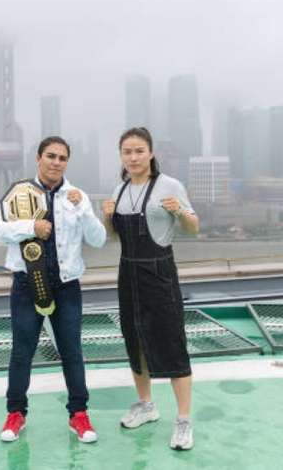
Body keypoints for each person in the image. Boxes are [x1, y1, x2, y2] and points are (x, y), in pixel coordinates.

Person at [0, 136, 107, 444]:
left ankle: (78, 414)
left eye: (62, 158)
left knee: (72, 352)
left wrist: (83, 210)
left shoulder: (77, 196)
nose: (56, 162)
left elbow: (98, 239)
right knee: (21, 352)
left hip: (67, 285)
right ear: (38, 158)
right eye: (51, 156)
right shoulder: (18, 193)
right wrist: (30, 228)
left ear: (67, 162)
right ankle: (16, 414)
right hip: (27, 284)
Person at [101, 127, 200, 451]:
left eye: (139, 151)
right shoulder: (120, 188)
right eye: (127, 151)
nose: (133, 157)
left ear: (151, 153)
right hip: (127, 273)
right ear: (121, 156)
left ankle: (183, 420)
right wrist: (106, 219)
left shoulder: (170, 186)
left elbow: (194, 229)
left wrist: (180, 211)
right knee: (135, 340)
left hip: (159, 273)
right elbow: (114, 237)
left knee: (172, 343)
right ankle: (146, 405)